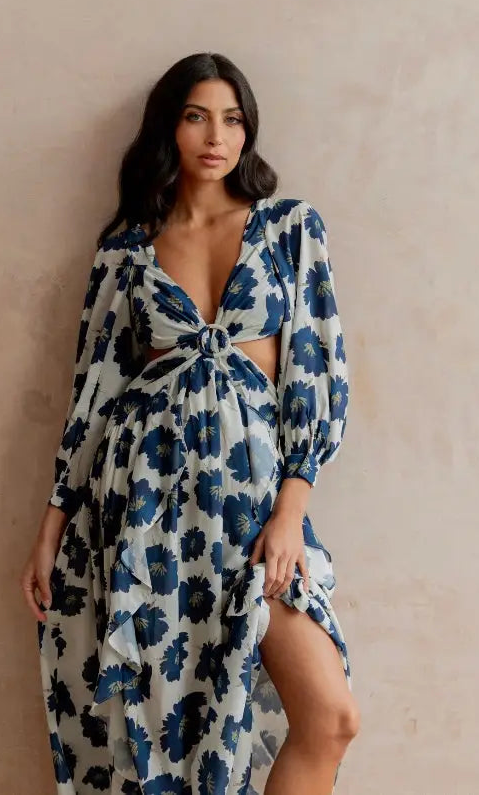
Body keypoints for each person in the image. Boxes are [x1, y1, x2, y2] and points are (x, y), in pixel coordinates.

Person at [20, 52, 358, 795]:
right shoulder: (126, 251)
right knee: (172, 743)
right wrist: (51, 525)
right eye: (197, 117)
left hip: (254, 510)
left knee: (330, 718)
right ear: (168, 128)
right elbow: (94, 393)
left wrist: (290, 514)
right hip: (148, 511)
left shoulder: (288, 230)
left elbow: (316, 376)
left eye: (233, 120)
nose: (216, 137)